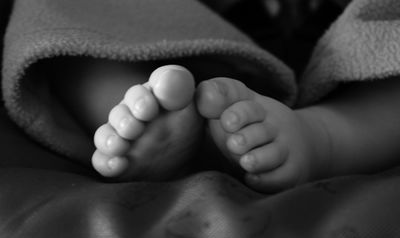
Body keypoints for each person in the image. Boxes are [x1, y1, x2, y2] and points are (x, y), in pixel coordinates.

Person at [51, 0, 400, 193]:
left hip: (362, 44)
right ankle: (136, 108)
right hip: (186, 38)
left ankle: (323, 137)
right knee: (72, 11)